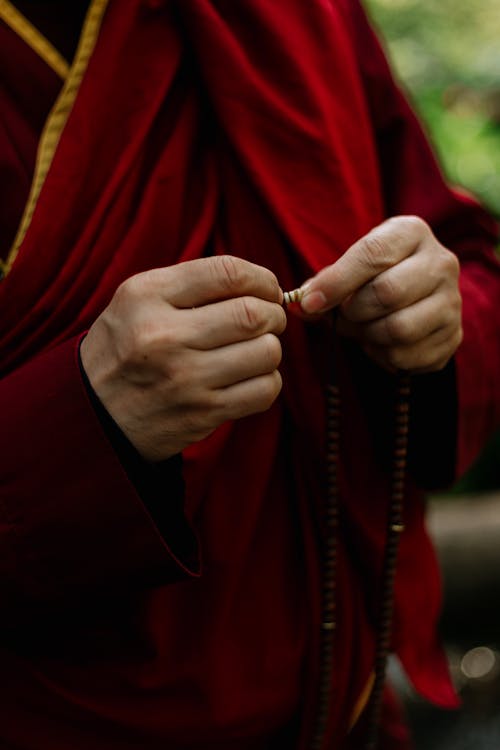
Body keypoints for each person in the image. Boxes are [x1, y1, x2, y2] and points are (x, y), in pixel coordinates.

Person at [0, 1, 499, 748]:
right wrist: (81, 420)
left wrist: (431, 312)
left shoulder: (301, 12)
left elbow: (467, 262)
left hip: (344, 702)